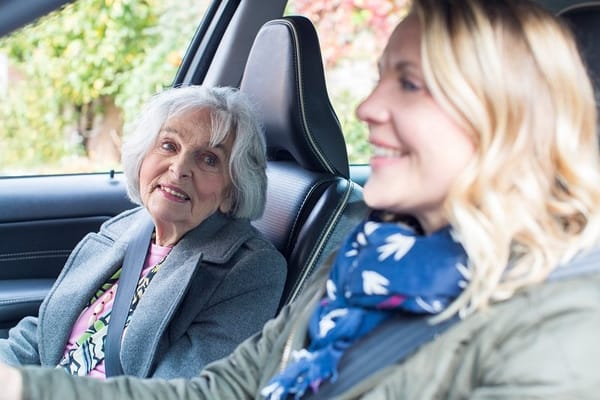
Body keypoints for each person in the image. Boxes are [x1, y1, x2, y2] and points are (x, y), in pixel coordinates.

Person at [2, 0, 600, 398]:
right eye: (381, 76)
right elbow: (225, 391)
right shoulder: (361, 262)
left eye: (410, 84)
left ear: (505, 121)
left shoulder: (565, 326)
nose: (367, 109)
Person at [0, 85, 286, 381]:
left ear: (233, 189)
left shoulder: (250, 270)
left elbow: (178, 391)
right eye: (169, 146)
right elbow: (41, 335)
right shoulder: (126, 228)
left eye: (209, 159)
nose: (179, 169)